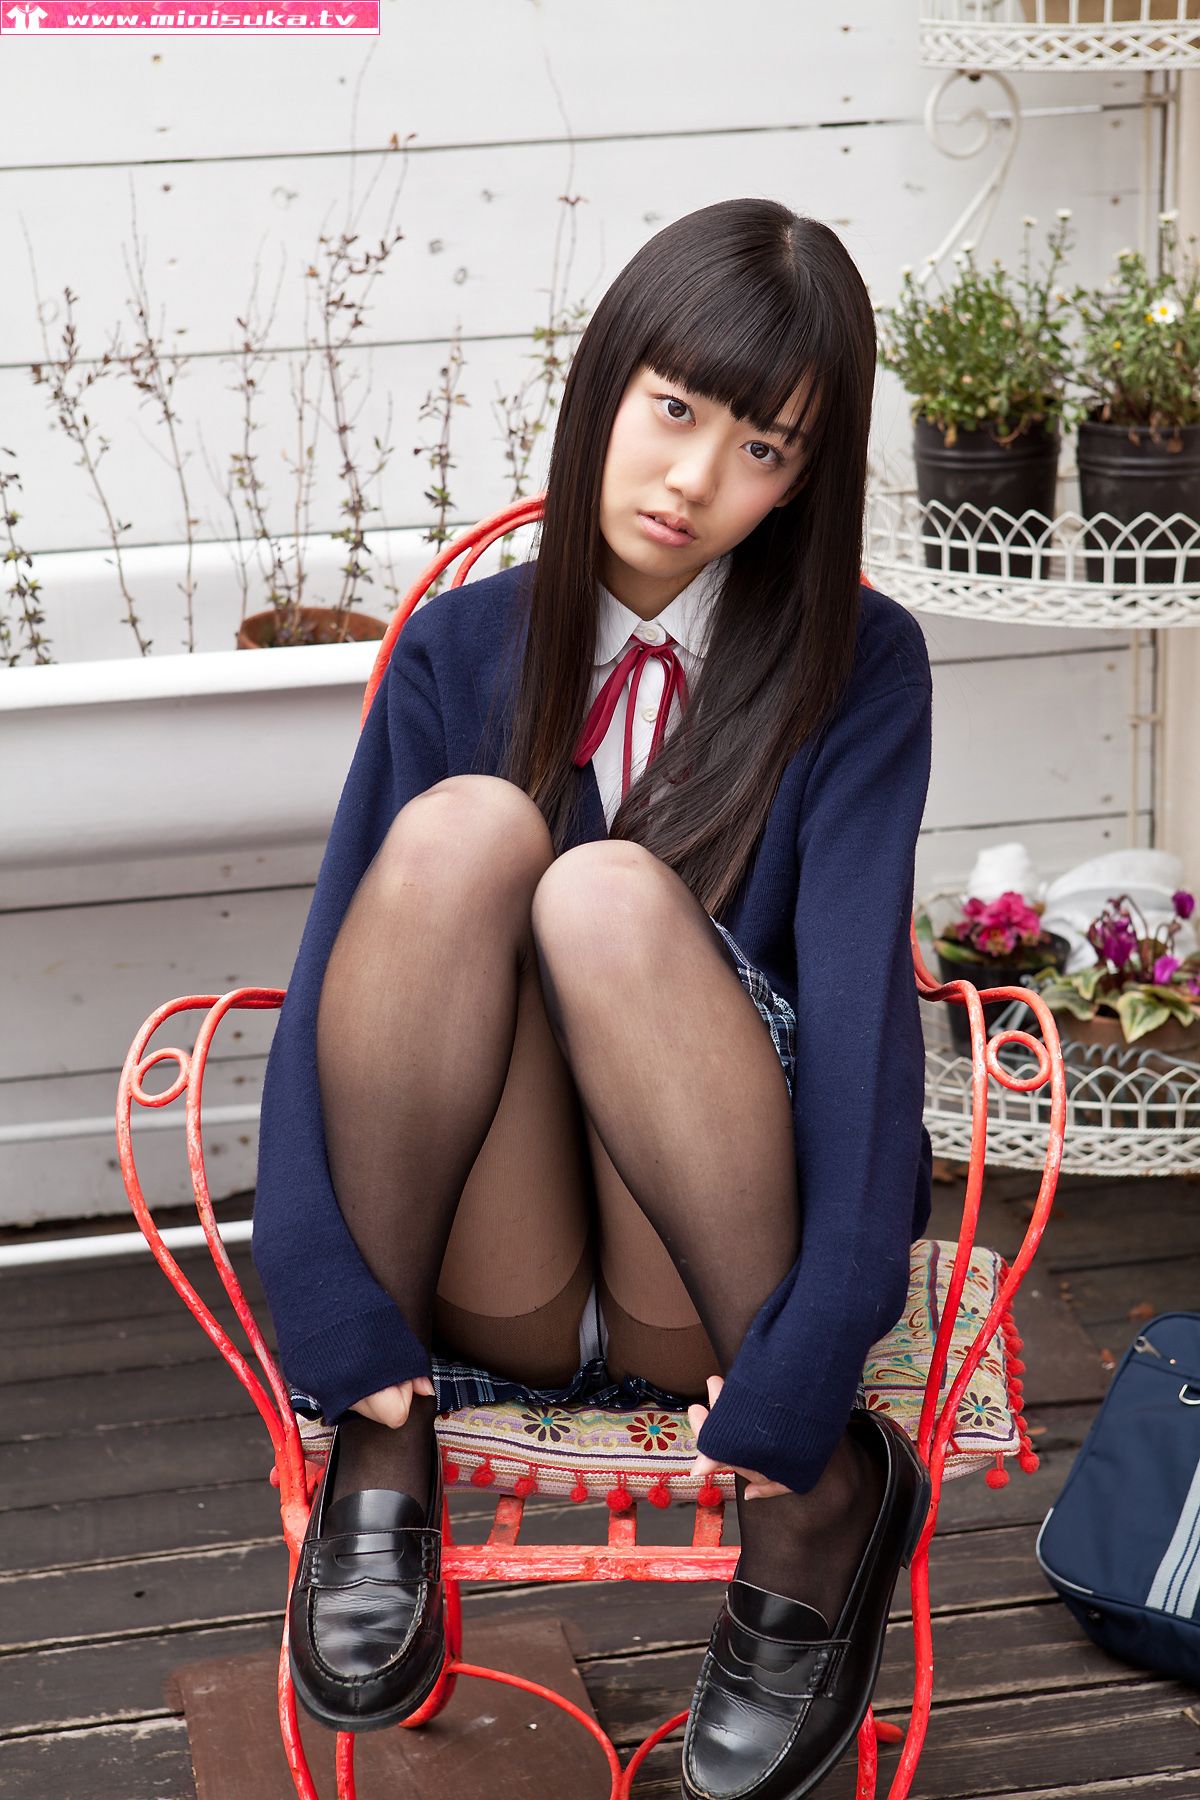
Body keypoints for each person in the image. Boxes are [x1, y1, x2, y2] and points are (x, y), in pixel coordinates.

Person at [252, 195, 934, 1800]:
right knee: (465, 835)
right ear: (606, 383)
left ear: (804, 480)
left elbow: (862, 1024)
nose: (695, 479)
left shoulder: (858, 664)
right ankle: (386, 1450)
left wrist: (807, 1366)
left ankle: (818, 1505)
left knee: (602, 893)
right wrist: (332, 1321)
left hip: (710, 1294)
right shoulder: (460, 650)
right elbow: (334, 977)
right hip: (491, 1275)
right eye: (675, 410)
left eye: (761, 449)